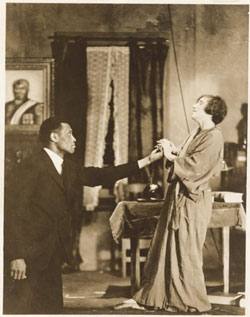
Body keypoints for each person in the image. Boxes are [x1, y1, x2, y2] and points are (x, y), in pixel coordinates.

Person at [3, 116, 163, 314]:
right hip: (28, 255)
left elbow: (101, 175)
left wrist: (147, 160)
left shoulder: (66, 167)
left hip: (52, 251)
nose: (74, 139)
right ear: (54, 136)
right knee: (22, 309)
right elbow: (11, 213)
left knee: (51, 308)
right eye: (69, 133)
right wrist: (16, 255)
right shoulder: (29, 166)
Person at [115, 95, 227, 313]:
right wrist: (173, 150)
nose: (194, 105)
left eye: (200, 103)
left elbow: (196, 168)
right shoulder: (197, 133)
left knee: (185, 251)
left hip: (192, 200)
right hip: (177, 196)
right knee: (165, 247)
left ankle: (188, 301)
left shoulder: (214, 136)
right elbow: (186, 161)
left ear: (212, 110)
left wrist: (171, 155)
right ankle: (159, 297)